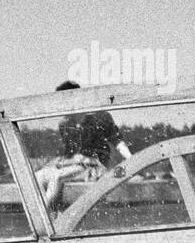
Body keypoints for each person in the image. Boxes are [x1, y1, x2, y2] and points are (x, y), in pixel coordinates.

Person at [35, 81, 134, 209]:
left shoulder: (100, 116)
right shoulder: (65, 124)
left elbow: (117, 141)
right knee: (37, 177)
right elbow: (69, 153)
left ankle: (42, 219)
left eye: (64, 101)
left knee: (56, 177)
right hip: (74, 166)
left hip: (94, 166)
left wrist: (132, 161)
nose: (62, 106)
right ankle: (52, 216)